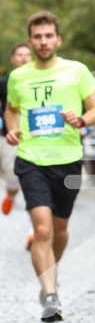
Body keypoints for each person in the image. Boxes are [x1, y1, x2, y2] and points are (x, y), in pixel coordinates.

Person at [5, 11, 95, 322]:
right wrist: (11, 129)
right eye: (38, 36)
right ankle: (49, 295)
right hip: (31, 160)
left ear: (58, 39)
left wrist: (82, 120)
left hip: (68, 160)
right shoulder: (18, 76)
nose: (43, 42)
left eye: (49, 36)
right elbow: (11, 110)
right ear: (30, 40)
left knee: (60, 231)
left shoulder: (77, 71)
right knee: (43, 229)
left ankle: (51, 272)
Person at [0, 43, 32, 215]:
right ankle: (11, 196)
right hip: (10, 136)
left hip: (35, 138)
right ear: (13, 59)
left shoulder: (38, 81)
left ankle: (33, 230)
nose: (24, 58)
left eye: (27, 54)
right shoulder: (5, 82)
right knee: (12, 177)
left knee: (33, 181)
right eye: (19, 55)